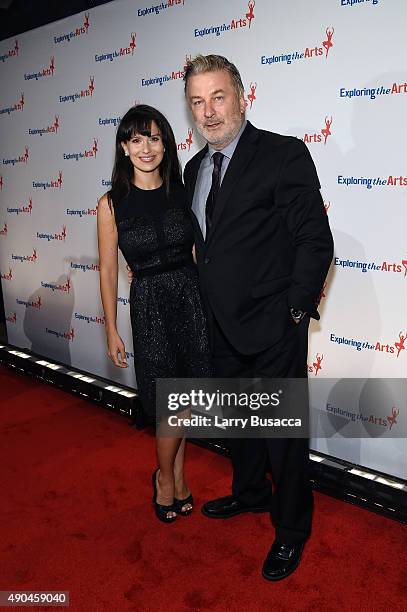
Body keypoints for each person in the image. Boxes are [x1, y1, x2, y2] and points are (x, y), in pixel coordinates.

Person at [183, 54, 334, 580]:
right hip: (220, 323)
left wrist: (293, 309)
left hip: (273, 323)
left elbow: (315, 239)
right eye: (197, 102)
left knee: (282, 433)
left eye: (218, 97)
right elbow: (212, 245)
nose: (208, 111)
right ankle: (249, 493)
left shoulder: (281, 154)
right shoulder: (192, 168)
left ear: (241, 97)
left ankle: (292, 530)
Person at [97, 104, 212, 523]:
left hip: (191, 301)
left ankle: (178, 477)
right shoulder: (111, 204)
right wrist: (111, 329)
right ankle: (165, 480)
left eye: (154, 138)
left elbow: (201, 251)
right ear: (124, 148)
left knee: (187, 401)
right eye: (136, 139)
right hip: (149, 308)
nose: (146, 148)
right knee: (170, 406)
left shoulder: (181, 190)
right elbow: (109, 270)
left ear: (166, 143)